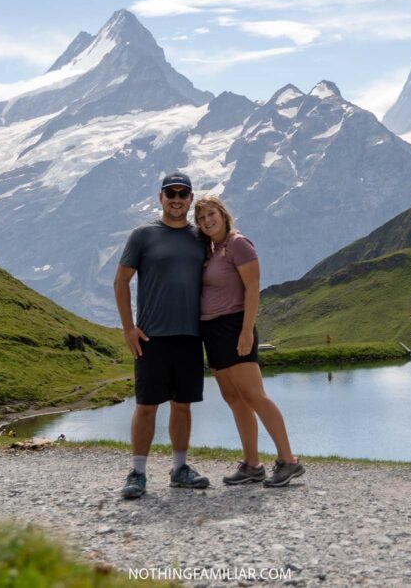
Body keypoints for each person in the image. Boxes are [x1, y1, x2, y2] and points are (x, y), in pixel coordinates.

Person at [194, 196, 304, 487]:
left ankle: (288, 460)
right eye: (201, 218)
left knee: (255, 396)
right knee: (234, 399)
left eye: (211, 214)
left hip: (234, 326)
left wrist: (246, 331)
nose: (207, 221)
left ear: (223, 214)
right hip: (212, 330)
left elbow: (253, 288)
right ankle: (252, 465)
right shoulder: (210, 249)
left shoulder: (239, 244)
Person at [114, 171, 210, 499]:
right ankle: (137, 472)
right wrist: (128, 328)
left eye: (183, 194)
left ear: (190, 199)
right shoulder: (142, 235)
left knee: (182, 405)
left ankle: (179, 469)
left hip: (190, 335)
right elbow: (121, 281)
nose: (177, 199)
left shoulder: (200, 238)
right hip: (151, 337)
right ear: (161, 198)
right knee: (146, 406)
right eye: (171, 193)